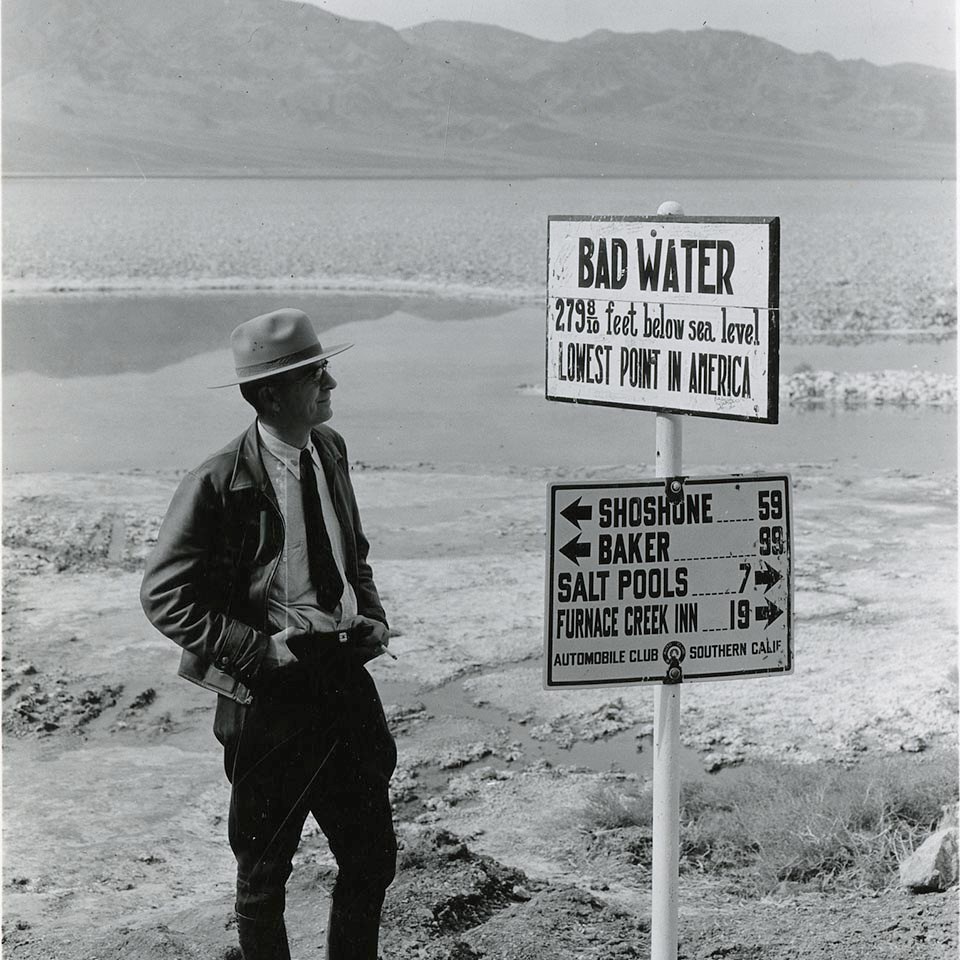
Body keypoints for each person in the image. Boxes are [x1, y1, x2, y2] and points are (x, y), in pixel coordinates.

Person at [140, 308, 397, 960]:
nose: (331, 383)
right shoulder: (217, 481)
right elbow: (163, 594)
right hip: (271, 695)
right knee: (264, 878)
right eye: (316, 374)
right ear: (273, 393)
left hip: (344, 678)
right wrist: (255, 649)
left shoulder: (329, 449)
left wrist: (370, 616)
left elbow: (351, 553)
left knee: (372, 859)